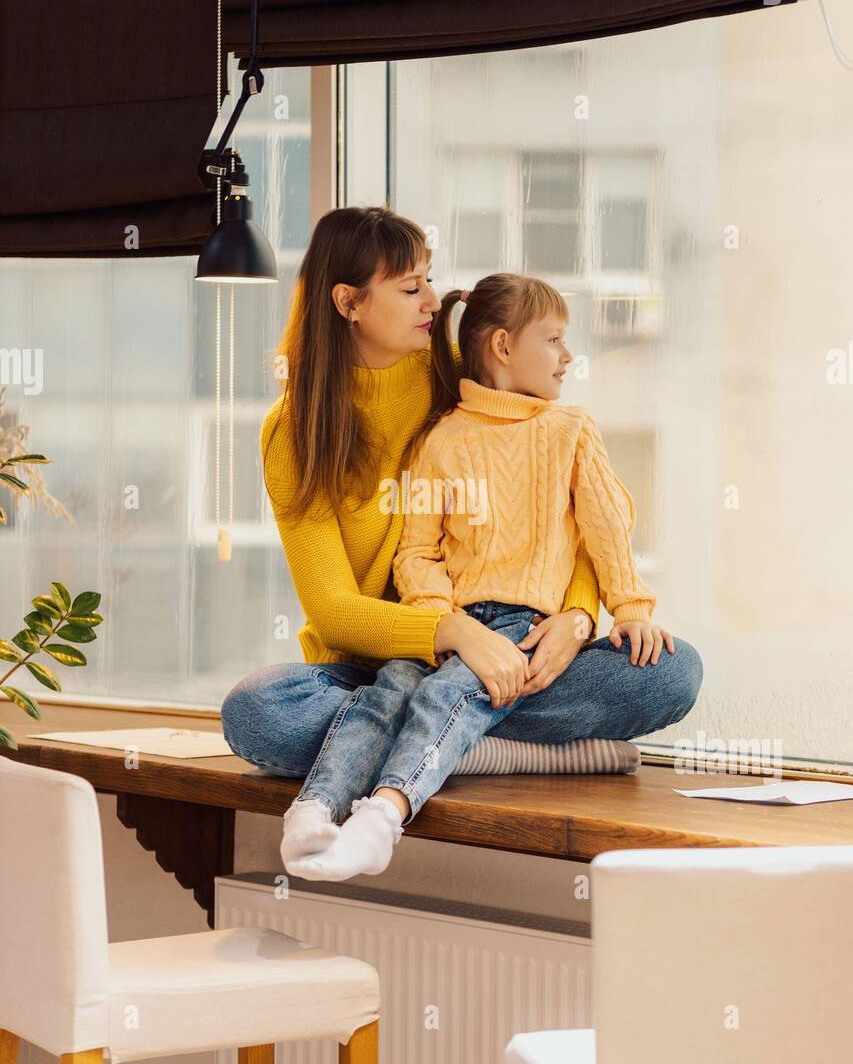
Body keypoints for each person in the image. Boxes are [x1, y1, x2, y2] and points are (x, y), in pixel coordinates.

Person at [220, 206, 703, 877]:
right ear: (349, 302)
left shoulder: (454, 372)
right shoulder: (292, 429)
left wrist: (577, 616)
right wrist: (453, 634)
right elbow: (331, 609)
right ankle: (469, 742)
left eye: (427, 279)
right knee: (257, 711)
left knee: (673, 672)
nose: (431, 300)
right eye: (409, 286)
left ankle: (420, 739)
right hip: (380, 659)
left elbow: (579, 502)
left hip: (513, 643)